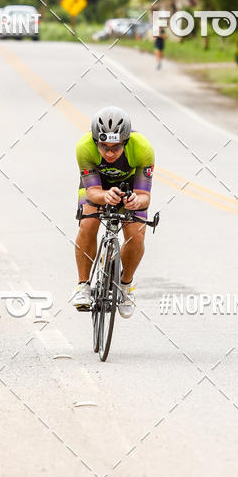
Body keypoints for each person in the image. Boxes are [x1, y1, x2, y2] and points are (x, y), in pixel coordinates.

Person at [71, 106, 155, 318]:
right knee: (88, 223)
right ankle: (83, 285)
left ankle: (125, 287)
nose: (109, 153)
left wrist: (136, 200)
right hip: (98, 186)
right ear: (95, 141)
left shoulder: (143, 149)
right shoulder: (84, 147)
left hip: (130, 188)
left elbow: (145, 196)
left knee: (136, 235)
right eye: (103, 146)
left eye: (115, 147)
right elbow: (92, 191)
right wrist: (105, 196)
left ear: (125, 142)